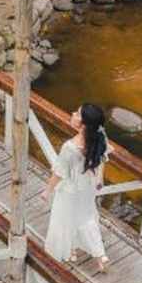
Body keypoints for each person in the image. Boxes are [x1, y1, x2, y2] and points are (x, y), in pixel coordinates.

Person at [43, 103, 112, 272]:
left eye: (77, 113)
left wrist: (47, 191)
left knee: (65, 218)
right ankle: (99, 256)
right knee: (86, 217)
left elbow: (59, 173)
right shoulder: (99, 137)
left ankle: (69, 250)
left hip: (71, 189)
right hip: (87, 187)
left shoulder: (70, 147)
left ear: (84, 124)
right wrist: (99, 178)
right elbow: (102, 157)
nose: (73, 114)